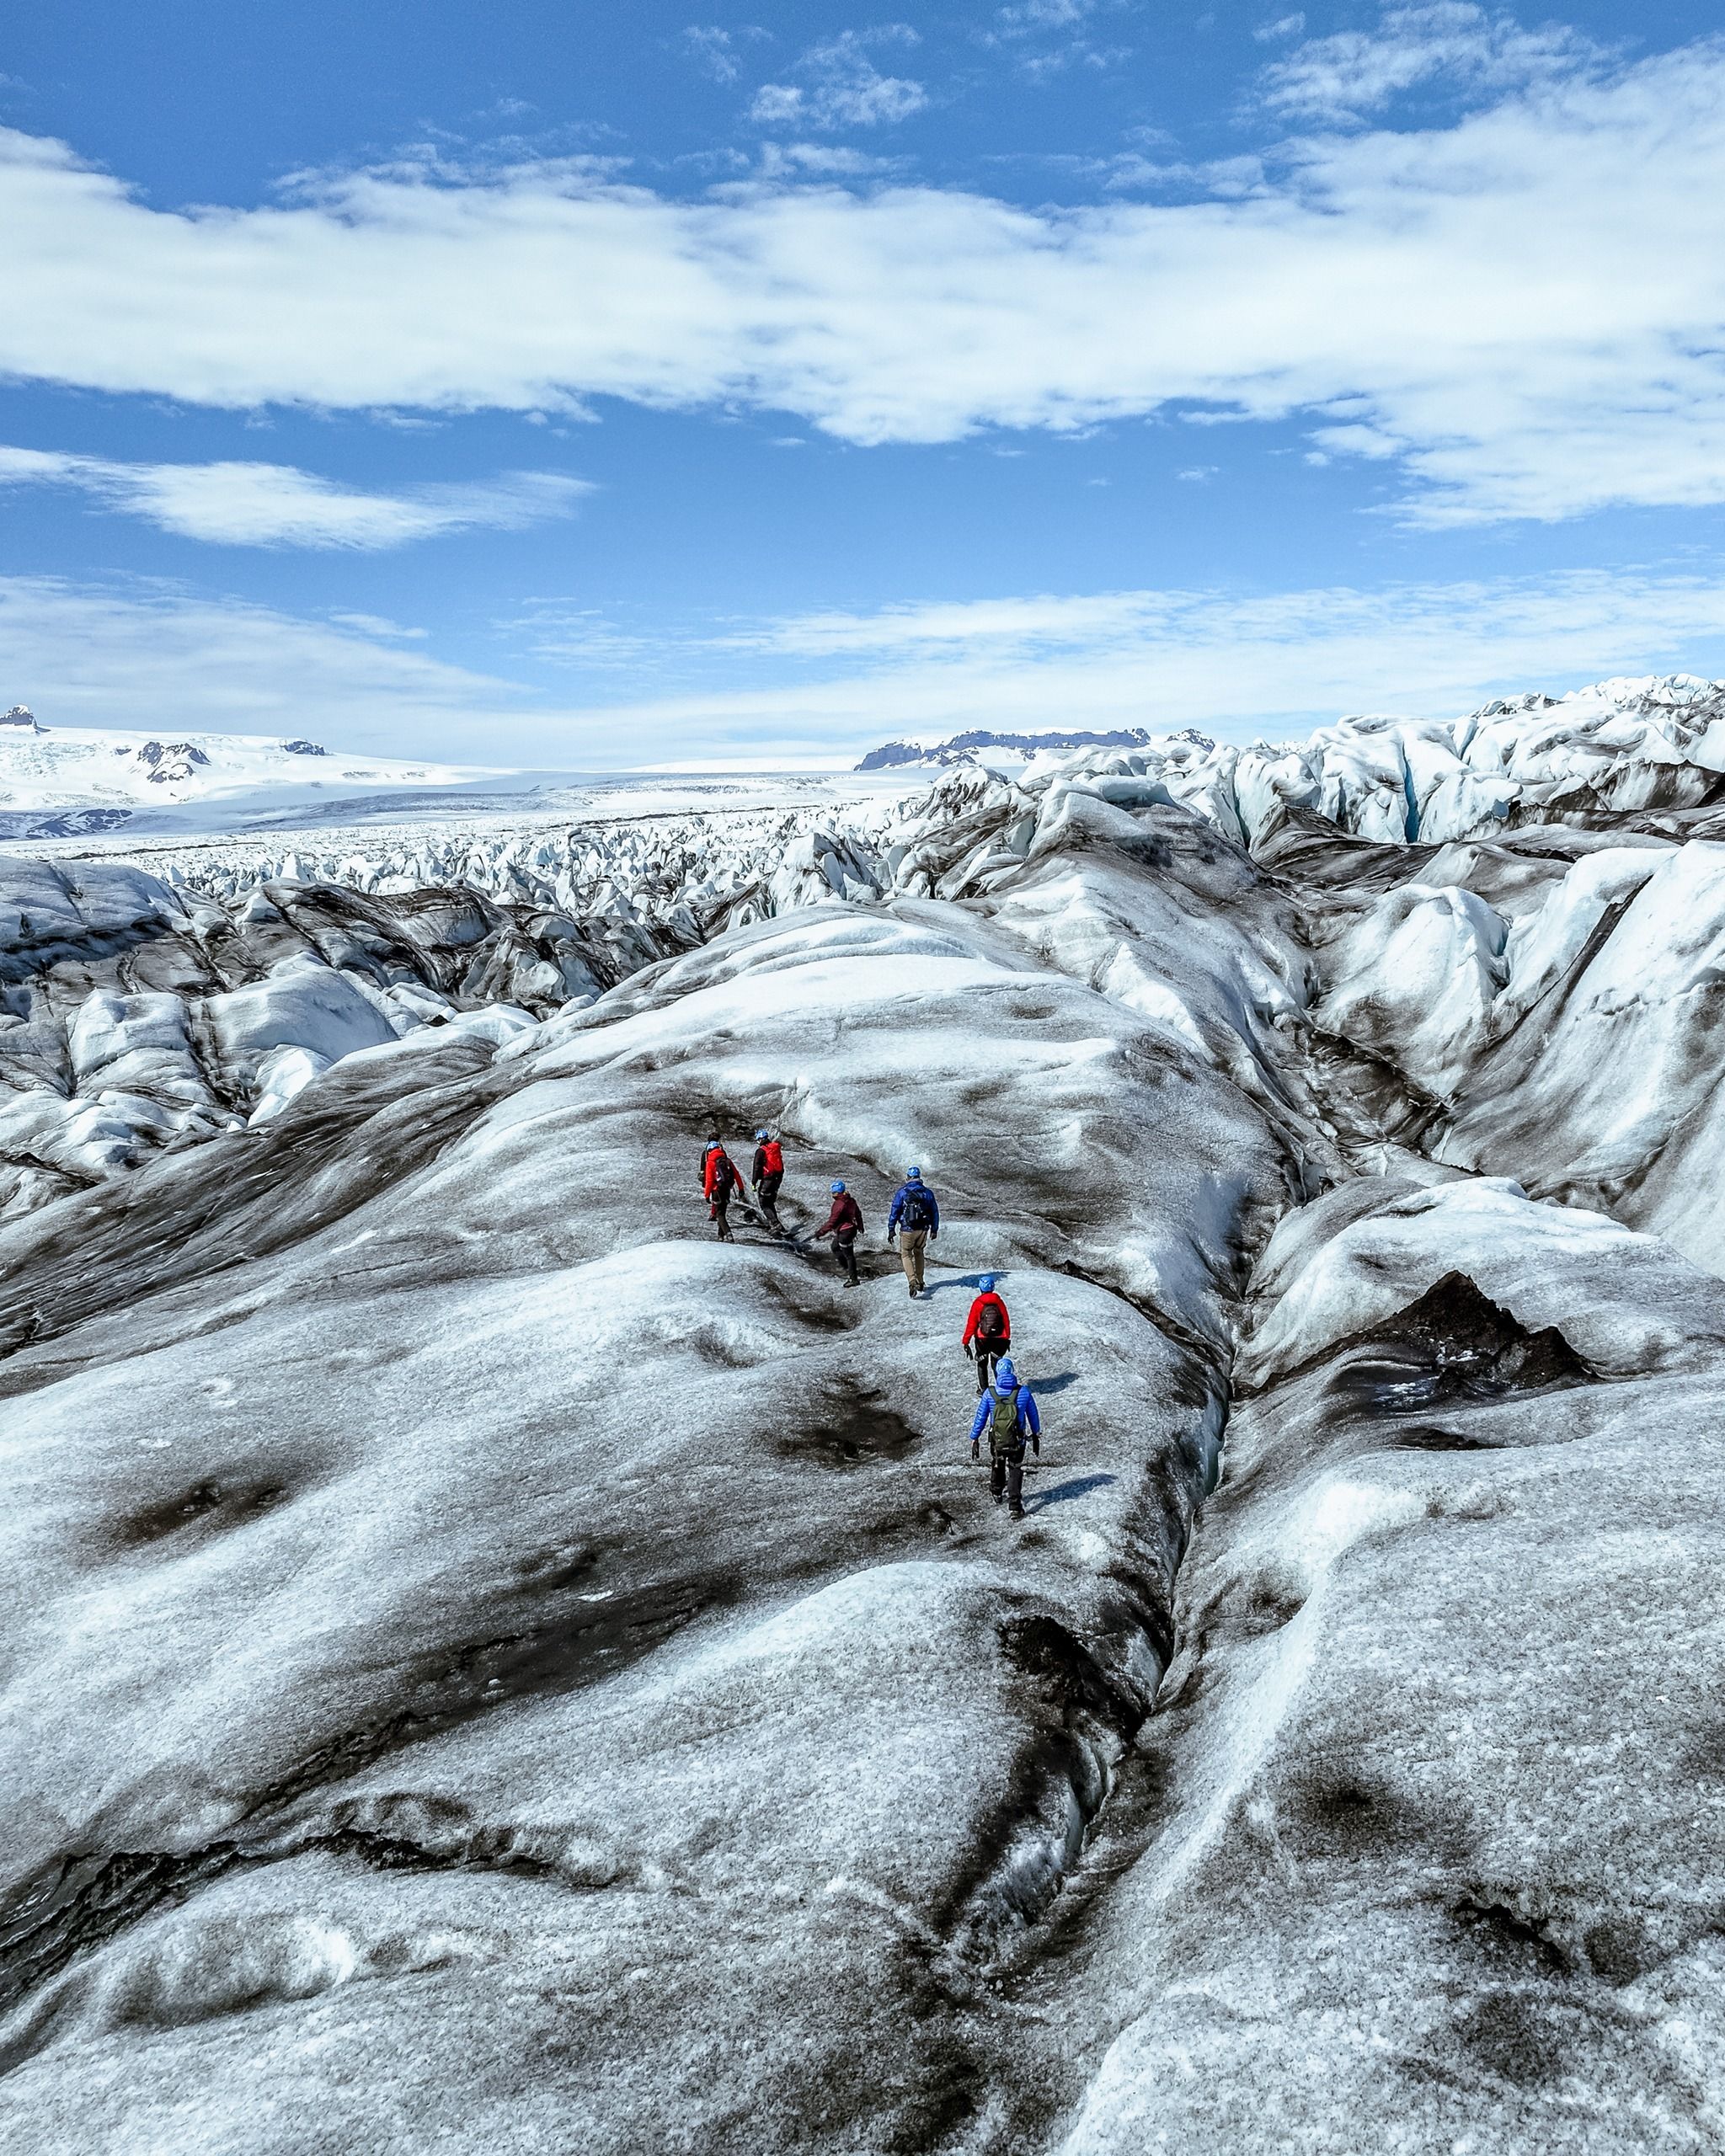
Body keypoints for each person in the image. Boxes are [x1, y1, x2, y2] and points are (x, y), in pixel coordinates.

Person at [969, 1357, 1041, 1518]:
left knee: (998, 1463)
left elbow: (981, 1417)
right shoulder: (1023, 1392)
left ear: (998, 1374)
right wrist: (1036, 1434)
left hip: (997, 1440)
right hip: (1018, 1440)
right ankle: (1015, 1506)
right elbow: (1033, 1415)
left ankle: (996, 1491)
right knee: (1015, 1468)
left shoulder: (989, 1393)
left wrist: (975, 1437)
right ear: (1012, 1372)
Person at [886, 1166, 940, 1299]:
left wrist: (891, 1228)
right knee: (919, 1252)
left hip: (907, 1229)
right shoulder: (927, 1193)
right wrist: (934, 1229)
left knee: (906, 1255)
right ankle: (921, 1281)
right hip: (923, 1229)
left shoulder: (902, 1192)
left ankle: (912, 1282)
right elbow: (934, 1212)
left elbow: (895, 1210)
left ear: (908, 1177)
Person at [962, 1274, 1012, 1395]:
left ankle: (984, 1390)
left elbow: (971, 1323)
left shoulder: (978, 1303)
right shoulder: (999, 1302)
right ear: (993, 1288)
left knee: (982, 1364)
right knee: (997, 1365)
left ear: (980, 1288)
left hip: (982, 1340)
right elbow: (1006, 1320)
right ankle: (1002, 1388)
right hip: (999, 1339)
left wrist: (966, 1341)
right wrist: (1007, 1337)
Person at [811, 1179, 863, 1286]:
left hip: (846, 1232)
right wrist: (860, 1225)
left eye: (833, 1192)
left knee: (849, 1255)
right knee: (835, 1247)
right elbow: (858, 1213)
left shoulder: (839, 1204)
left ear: (837, 1193)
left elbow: (832, 1221)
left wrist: (820, 1232)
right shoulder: (850, 1200)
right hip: (848, 1230)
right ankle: (848, 1268)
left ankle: (853, 1279)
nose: (832, 1194)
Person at [702, 1139, 742, 1242]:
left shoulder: (710, 1163)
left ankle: (729, 1235)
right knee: (723, 1212)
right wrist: (741, 1188)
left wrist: (707, 1195)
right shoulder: (727, 1160)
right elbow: (737, 1174)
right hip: (726, 1189)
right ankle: (720, 1236)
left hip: (717, 1191)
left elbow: (709, 1180)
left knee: (720, 1215)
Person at [751, 1129, 785, 1232]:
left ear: (761, 1139)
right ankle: (776, 1224)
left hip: (767, 1179)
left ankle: (775, 1224)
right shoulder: (775, 1148)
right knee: (770, 1202)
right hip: (777, 1179)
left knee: (764, 1203)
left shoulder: (761, 1151)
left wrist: (754, 1181)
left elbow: (757, 1167)